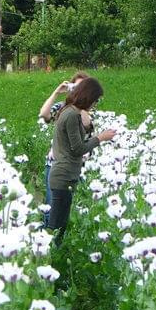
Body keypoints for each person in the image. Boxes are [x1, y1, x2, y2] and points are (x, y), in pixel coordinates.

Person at [48, 77, 117, 245]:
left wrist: (88, 127)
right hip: (62, 176)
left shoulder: (72, 112)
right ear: (88, 96)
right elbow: (77, 148)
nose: (95, 104)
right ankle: (46, 260)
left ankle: (53, 259)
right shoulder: (71, 114)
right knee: (56, 226)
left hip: (66, 174)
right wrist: (100, 138)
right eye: (95, 100)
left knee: (61, 226)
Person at [38, 72, 90, 227]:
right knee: (52, 207)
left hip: (79, 166)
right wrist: (56, 92)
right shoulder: (61, 108)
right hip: (56, 163)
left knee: (74, 207)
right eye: (76, 87)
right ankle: (50, 241)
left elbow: (87, 125)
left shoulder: (89, 110)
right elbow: (44, 114)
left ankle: (64, 241)